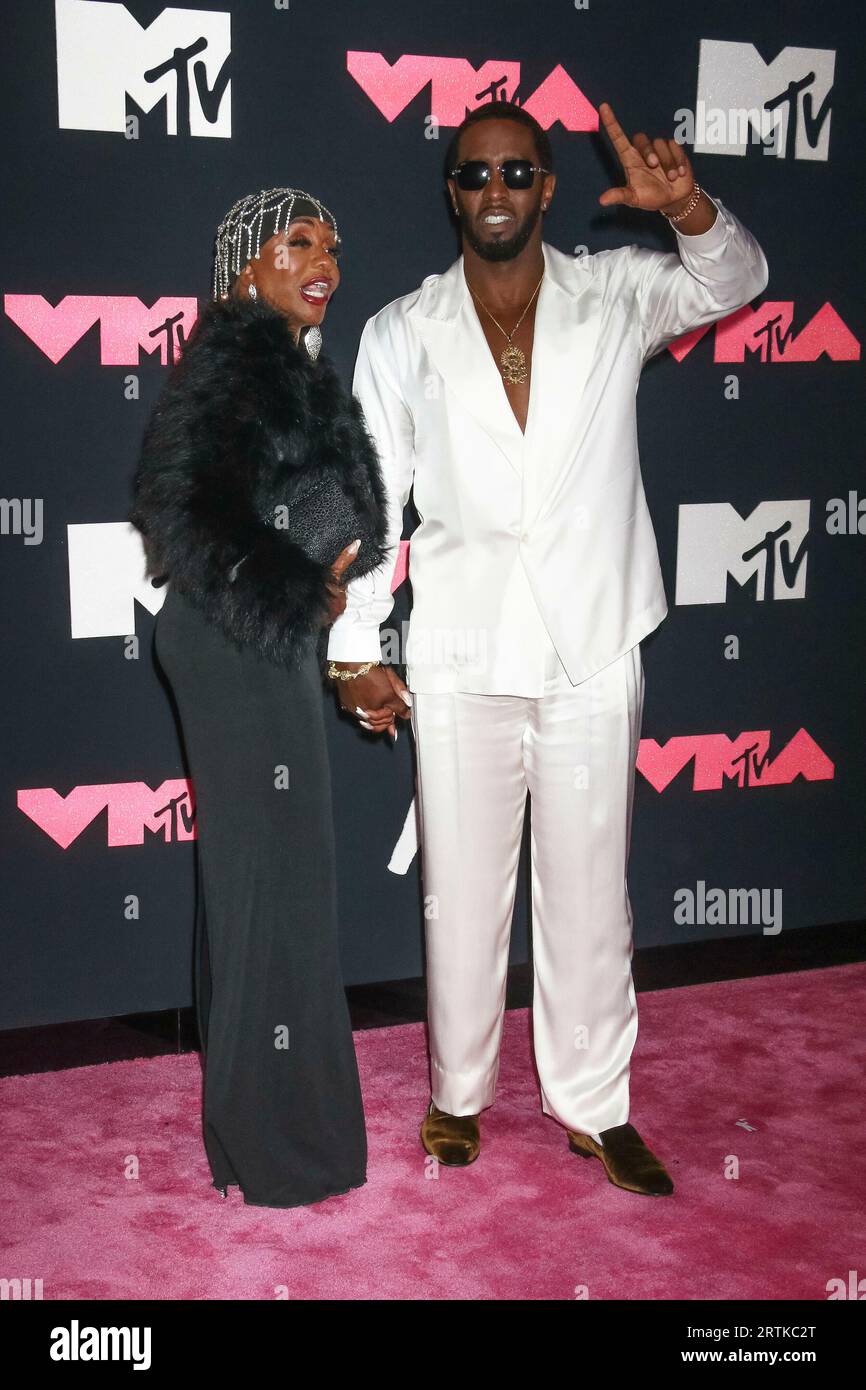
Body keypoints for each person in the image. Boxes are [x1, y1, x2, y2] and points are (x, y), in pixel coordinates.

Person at [325, 102, 769, 1196]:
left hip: (590, 636)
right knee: (461, 893)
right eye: (474, 175)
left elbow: (735, 283)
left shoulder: (616, 290)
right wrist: (354, 644)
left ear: (547, 188)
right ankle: (454, 1092)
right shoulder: (398, 330)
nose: (494, 192)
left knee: (587, 890)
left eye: (516, 172)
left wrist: (692, 210)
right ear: (449, 190)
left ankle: (593, 1104)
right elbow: (373, 504)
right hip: (462, 648)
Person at [130, 187, 389, 1208]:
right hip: (236, 639)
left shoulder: (286, 363)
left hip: (260, 636)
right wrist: (297, 584)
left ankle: (258, 1139)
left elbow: (331, 506)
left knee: (260, 886)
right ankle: (282, 1147)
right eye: (296, 243)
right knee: (271, 887)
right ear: (244, 265)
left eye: (329, 242)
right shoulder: (239, 357)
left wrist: (327, 559)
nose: (321, 259)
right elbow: (182, 507)